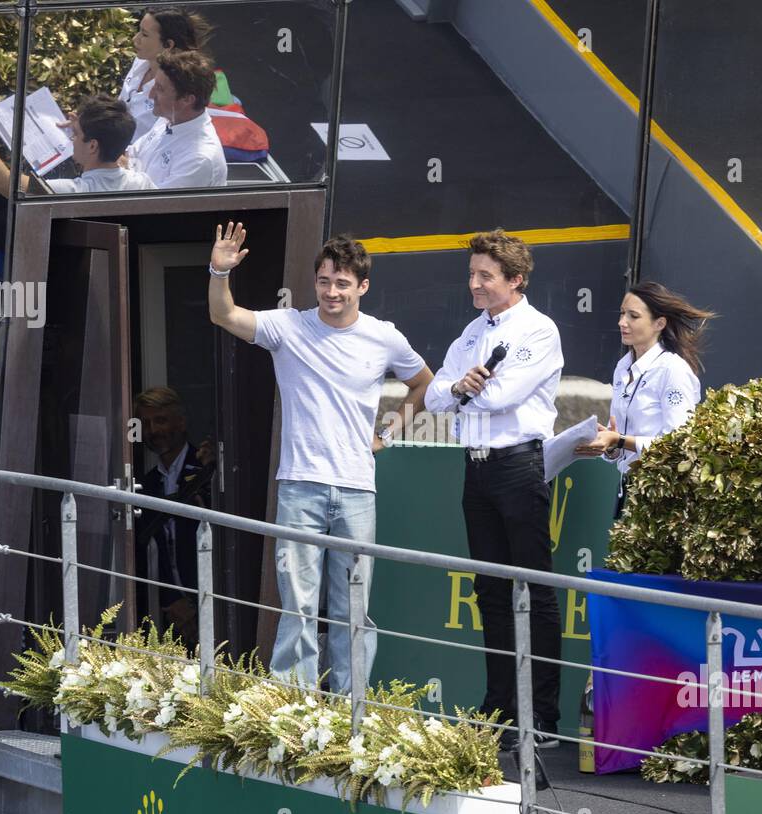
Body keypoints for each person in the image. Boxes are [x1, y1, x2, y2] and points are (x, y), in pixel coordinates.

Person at [206, 222, 433, 693]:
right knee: (298, 606)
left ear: (362, 287)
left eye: (343, 283)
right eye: (325, 281)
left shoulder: (384, 336)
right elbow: (224, 315)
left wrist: (387, 435)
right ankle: (296, 714)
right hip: (299, 487)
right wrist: (218, 270)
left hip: (356, 489)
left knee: (353, 610)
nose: (332, 291)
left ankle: (353, 717)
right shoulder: (288, 325)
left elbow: (423, 384)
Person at [424, 228, 564, 748]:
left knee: (534, 589)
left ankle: (541, 716)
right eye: (472, 274)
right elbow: (438, 396)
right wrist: (461, 386)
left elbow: (503, 394)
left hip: (519, 465)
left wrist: (465, 391)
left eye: (485, 275)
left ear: (516, 279)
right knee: (490, 591)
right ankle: (500, 708)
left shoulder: (539, 329)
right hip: (476, 469)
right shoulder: (471, 332)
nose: (475, 283)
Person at [574, 281, 709, 516]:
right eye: (622, 314)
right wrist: (611, 446)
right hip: (628, 487)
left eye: (633, 316)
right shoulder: (623, 366)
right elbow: (620, 440)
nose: (622, 322)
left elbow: (678, 445)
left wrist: (619, 440)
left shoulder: (672, 369)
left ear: (660, 323)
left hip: (663, 495)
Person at [0, 69, 154, 195]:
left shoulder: (71, 191)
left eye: (76, 134)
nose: (72, 140)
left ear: (93, 145)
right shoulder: (142, 183)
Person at [132, 388, 215, 649]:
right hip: (168, 611)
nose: (153, 430)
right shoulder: (144, 483)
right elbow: (146, 551)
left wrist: (196, 606)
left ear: (181, 422)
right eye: (146, 423)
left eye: (161, 420)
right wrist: (173, 601)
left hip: (212, 602)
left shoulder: (206, 468)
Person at [125, 49, 228, 189]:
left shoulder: (199, 159)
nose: (150, 94)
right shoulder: (168, 119)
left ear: (187, 99)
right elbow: (130, 155)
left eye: (160, 89)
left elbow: (152, 207)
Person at [119, 8, 211, 143]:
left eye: (144, 35)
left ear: (168, 45)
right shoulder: (141, 60)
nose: (135, 39)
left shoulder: (174, 89)